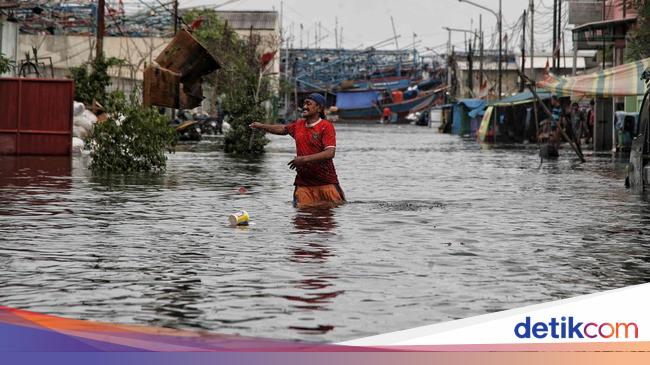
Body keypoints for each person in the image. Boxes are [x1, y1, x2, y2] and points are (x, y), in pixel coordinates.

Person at [249, 93, 345, 208]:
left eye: (308, 104)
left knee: (327, 220)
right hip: (303, 184)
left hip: (326, 183)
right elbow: (283, 129)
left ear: (319, 108)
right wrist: (261, 126)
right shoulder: (298, 125)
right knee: (301, 220)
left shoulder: (326, 126)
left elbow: (330, 153)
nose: (304, 106)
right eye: (304, 103)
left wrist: (303, 160)